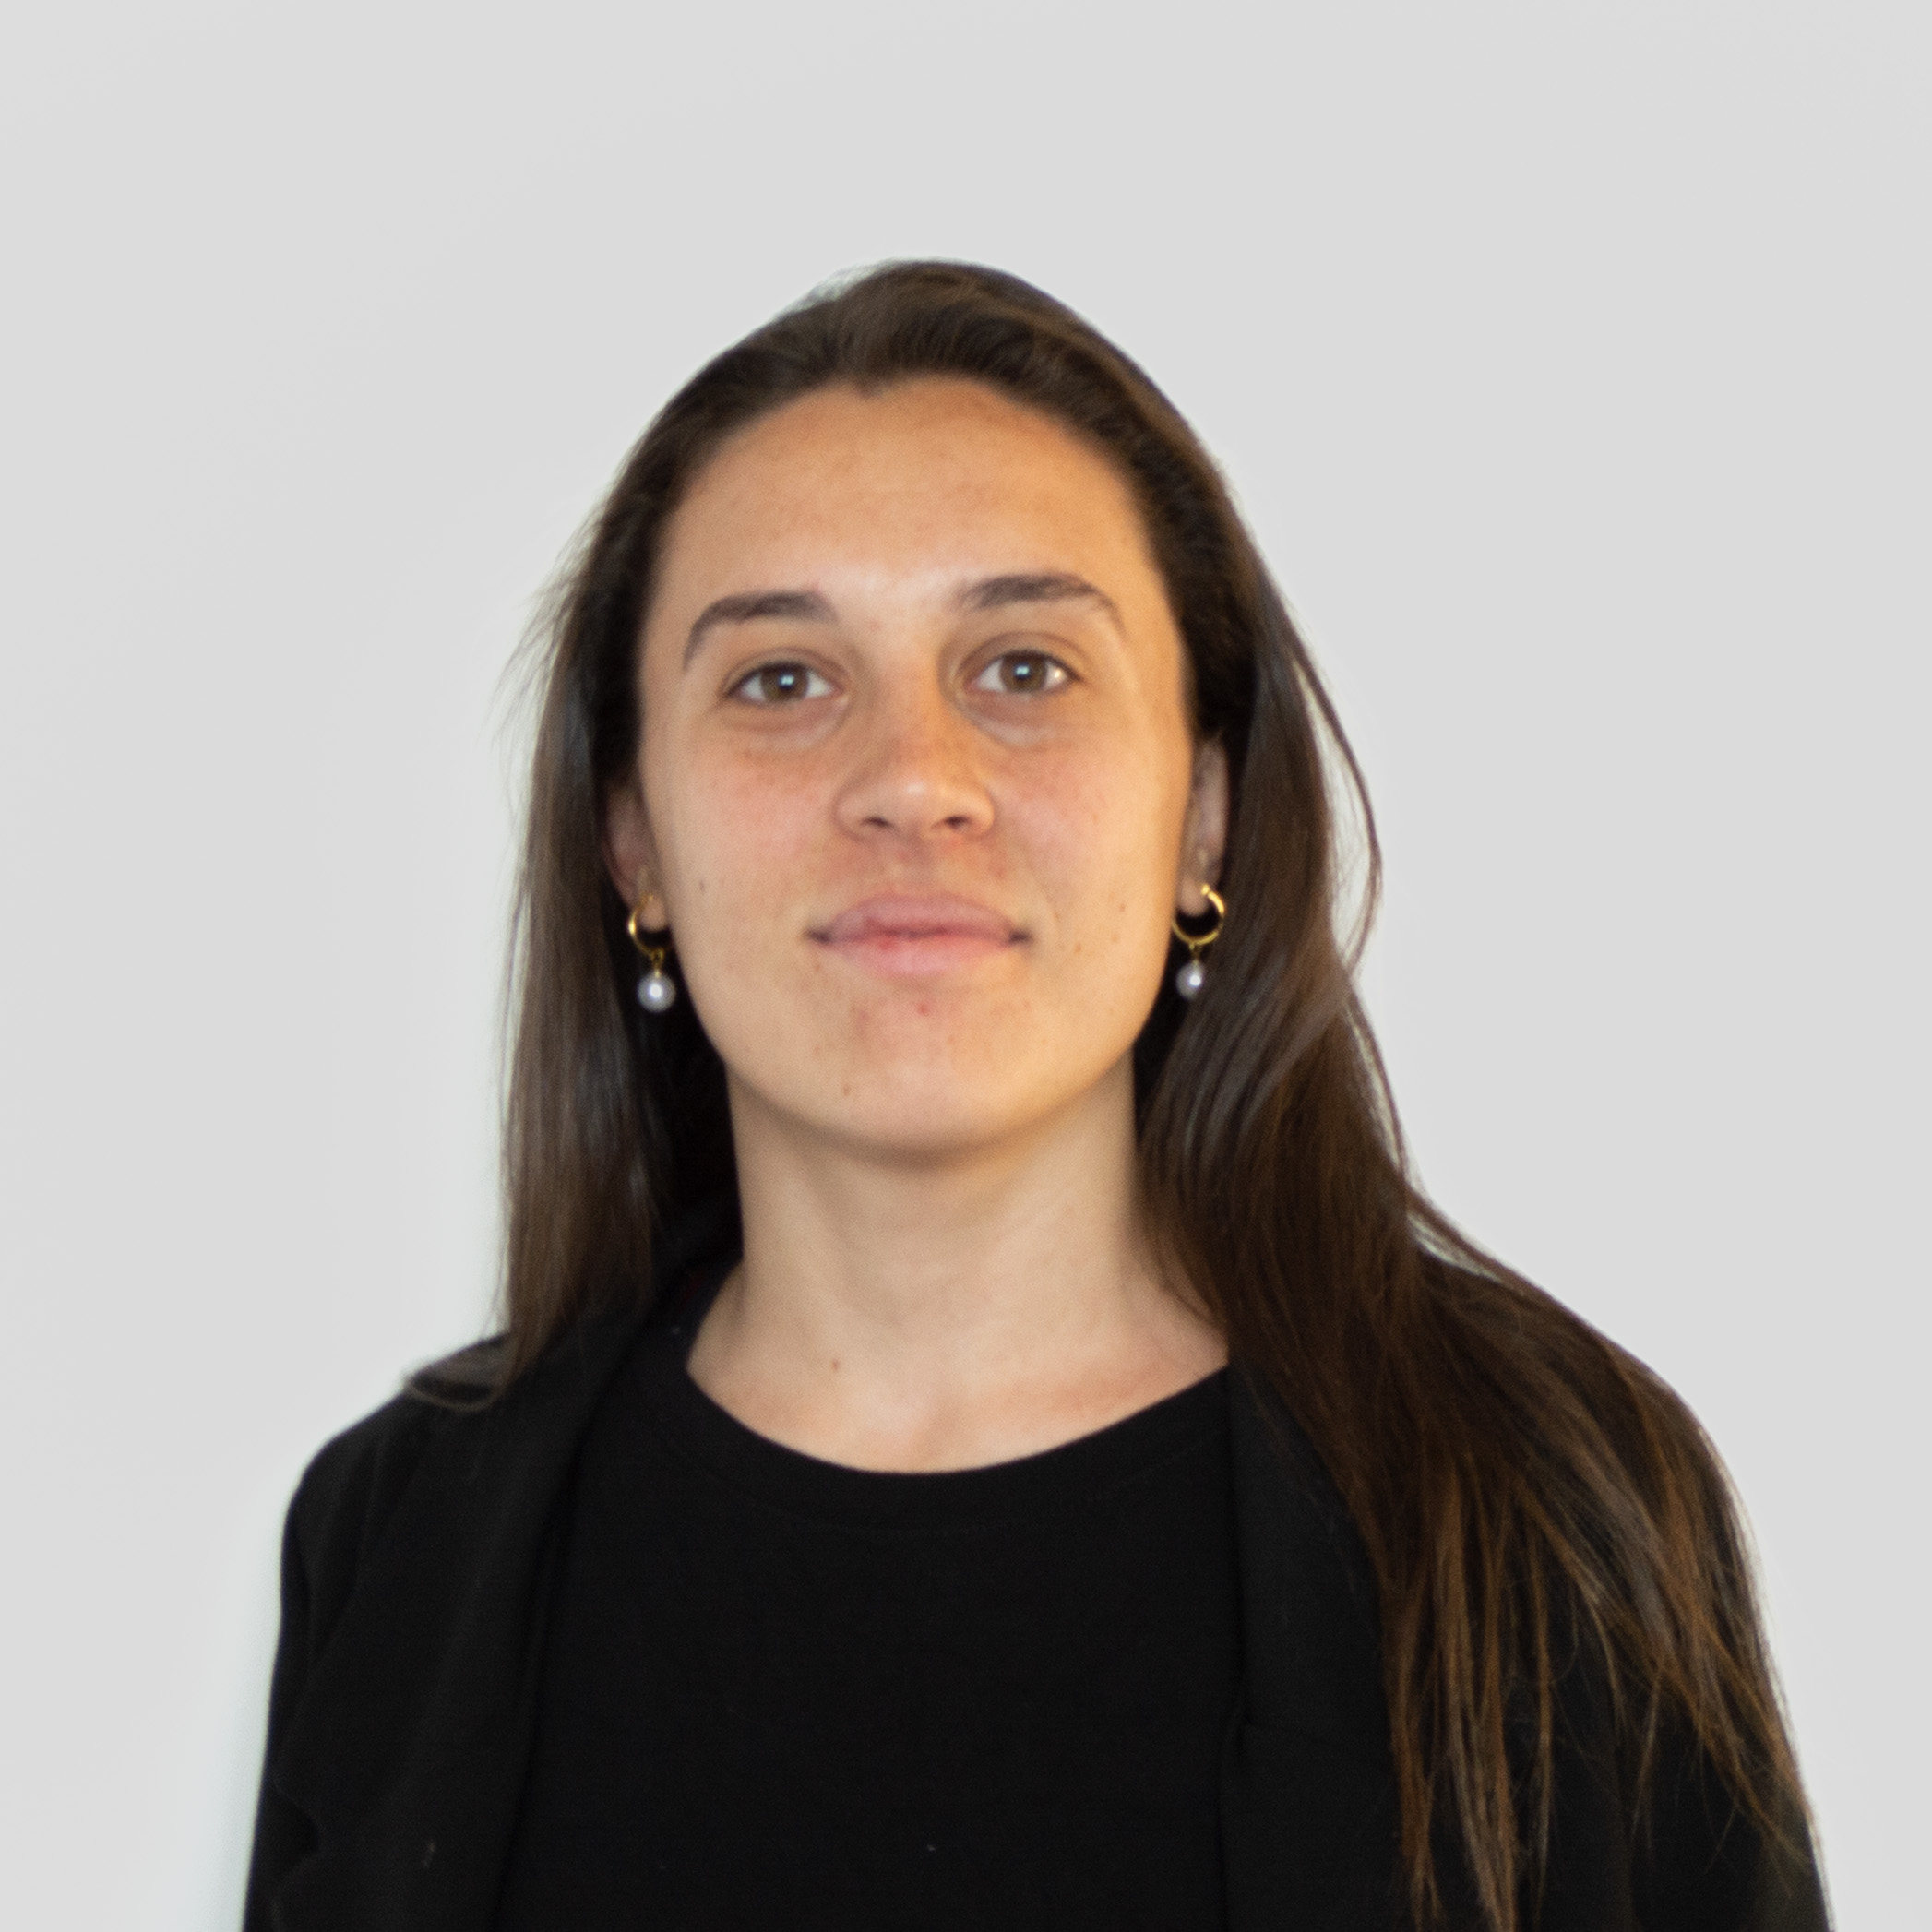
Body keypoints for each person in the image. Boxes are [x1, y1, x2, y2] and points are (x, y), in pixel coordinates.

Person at [243, 262, 1827, 1932]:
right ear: (632, 840)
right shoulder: (402, 1542)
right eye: (780, 678)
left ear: (1204, 813)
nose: (913, 779)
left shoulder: (1542, 1507)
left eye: (1024, 668)